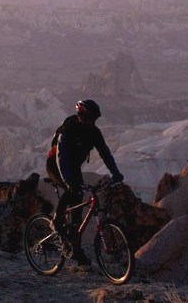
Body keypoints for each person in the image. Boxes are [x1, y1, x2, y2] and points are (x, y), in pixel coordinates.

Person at [45, 99, 124, 265]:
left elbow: (105, 154)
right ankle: (56, 221)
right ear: (80, 116)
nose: (92, 122)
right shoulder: (68, 130)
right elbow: (62, 159)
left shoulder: (94, 132)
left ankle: (75, 248)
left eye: (94, 119)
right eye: (90, 119)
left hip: (73, 167)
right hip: (56, 166)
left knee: (77, 210)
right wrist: (68, 182)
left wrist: (116, 174)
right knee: (72, 191)